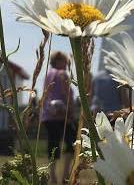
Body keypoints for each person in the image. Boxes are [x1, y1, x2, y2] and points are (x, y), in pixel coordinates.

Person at [40, 51, 75, 184]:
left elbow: (45, 94)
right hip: (62, 115)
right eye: (64, 61)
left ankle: (53, 177)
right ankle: (65, 175)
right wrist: (70, 110)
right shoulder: (62, 74)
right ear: (58, 61)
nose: (66, 64)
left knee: (53, 146)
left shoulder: (47, 74)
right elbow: (67, 94)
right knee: (72, 144)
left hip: (48, 116)